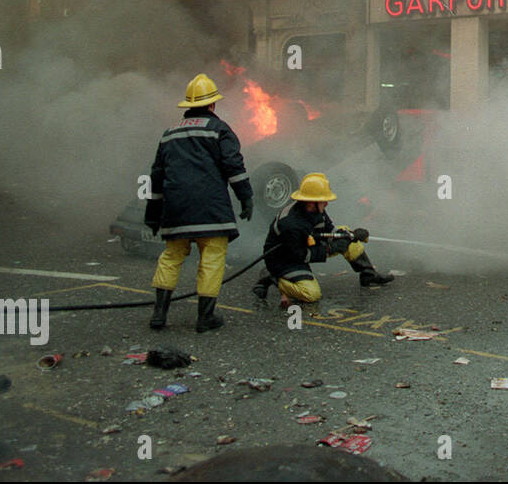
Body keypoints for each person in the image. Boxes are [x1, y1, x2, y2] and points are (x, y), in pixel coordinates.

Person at [144, 73, 254, 333]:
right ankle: (205, 317)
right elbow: (233, 166)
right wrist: (246, 196)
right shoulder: (220, 130)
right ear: (212, 105)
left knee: (171, 257)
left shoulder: (168, 134)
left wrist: (152, 214)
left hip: (176, 209)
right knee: (212, 258)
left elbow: (156, 177)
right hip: (211, 209)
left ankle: (159, 314)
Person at [251, 172, 394, 307]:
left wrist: (351, 234)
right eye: (324, 201)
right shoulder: (290, 224)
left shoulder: (314, 209)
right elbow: (301, 255)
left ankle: (368, 275)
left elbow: (329, 229)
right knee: (311, 295)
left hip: (304, 247)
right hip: (285, 260)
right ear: (311, 202)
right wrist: (330, 249)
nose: (326, 204)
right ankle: (270, 275)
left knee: (348, 239)